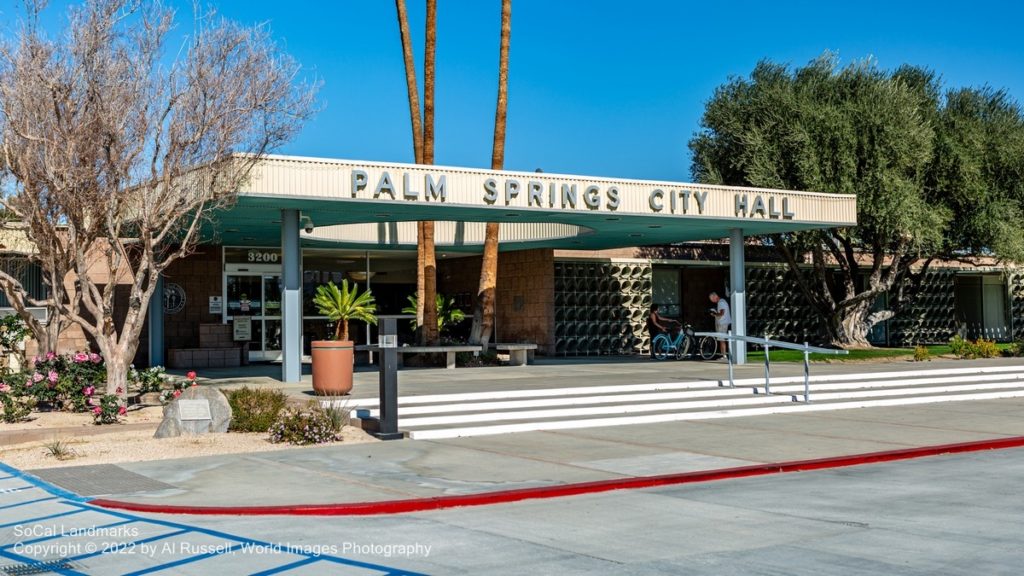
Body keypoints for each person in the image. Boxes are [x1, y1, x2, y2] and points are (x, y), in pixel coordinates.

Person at [709, 291, 732, 358]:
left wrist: (714, 314)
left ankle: (724, 355)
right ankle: (723, 355)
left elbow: (722, 313)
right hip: (723, 323)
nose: (712, 301)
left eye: (712, 299)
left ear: (715, 297)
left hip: (722, 323)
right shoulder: (722, 302)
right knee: (721, 340)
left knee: (722, 340)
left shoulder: (721, 302)